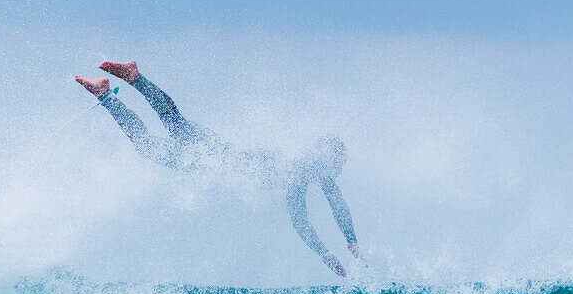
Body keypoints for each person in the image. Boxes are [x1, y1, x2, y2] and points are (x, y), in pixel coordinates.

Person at [76, 61, 361, 277]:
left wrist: (336, 248)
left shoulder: (298, 169)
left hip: (214, 160)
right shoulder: (305, 170)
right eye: (337, 164)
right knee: (167, 130)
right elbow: (329, 207)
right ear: (329, 157)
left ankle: (110, 91)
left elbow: (313, 216)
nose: (335, 172)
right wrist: (346, 244)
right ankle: (127, 81)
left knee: (168, 130)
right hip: (215, 159)